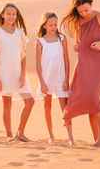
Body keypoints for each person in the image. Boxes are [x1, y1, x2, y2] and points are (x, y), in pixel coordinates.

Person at [61, 0, 100, 147]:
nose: (84, 13)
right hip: (83, 63)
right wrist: (77, 46)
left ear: (91, 5)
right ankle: (97, 139)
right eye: (80, 11)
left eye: (86, 10)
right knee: (88, 101)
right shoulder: (78, 21)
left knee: (93, 97)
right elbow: (80, 42)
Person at [0, 3, 35, 142]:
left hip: (18, 72)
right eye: (8, 14)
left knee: (30, 101)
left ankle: (20, 132)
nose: (11, 16)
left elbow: (24, 55)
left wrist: (23, 74)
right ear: (2, 15)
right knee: (7, 104)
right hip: (3, 72)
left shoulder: (20, 33)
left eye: (14, 14)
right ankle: (9, 135)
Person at [35, 12, 70, 145]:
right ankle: (51, 136)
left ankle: (70, 136)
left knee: (65, 106)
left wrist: (66, 79)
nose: (54, 27)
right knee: (47, 106)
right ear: (44, 25)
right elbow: (37, 63)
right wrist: (42, 82)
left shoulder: (62, 38)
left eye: (55, 24)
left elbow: (66, 59)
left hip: (60, 77)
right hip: (47, 77)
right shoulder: (40, 41)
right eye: (50, 25)